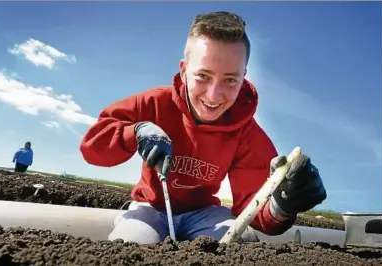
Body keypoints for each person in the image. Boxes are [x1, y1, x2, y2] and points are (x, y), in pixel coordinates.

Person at [80, 11, 327, 244]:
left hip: (206, 215)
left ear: (244, 77)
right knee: (130, 245)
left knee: (237, 248)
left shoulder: (248, 134)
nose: (214, 95)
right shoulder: (153, 103)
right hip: (150, 209)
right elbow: (92, 148)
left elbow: (255, 208)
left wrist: (282, 204)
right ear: (184, 70)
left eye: (230, 80)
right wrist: (135, 132)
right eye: (203, 76)